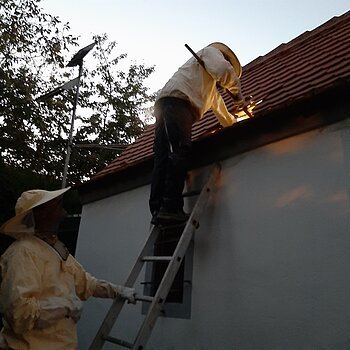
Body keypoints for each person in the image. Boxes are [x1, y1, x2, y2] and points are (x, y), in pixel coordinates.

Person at [0, 188, 136, 350]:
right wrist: (64, 306)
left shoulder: (54, 249)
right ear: (40, 213)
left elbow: (86, 283)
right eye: (57, 205)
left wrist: (118, 291)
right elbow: (19, 314)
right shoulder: (22, 253)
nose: (63, 211)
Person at [149, 42, 250, 224]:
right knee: (180, 150)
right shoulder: (210, 52)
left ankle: (157, 209)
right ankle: (170, 207)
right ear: (224, 56)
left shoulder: (207, 86)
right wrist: (237, 95)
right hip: (179, 103)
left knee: (162, 157)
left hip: (166, 104)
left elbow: (222, 113)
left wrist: (235, 119)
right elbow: (222, 69)